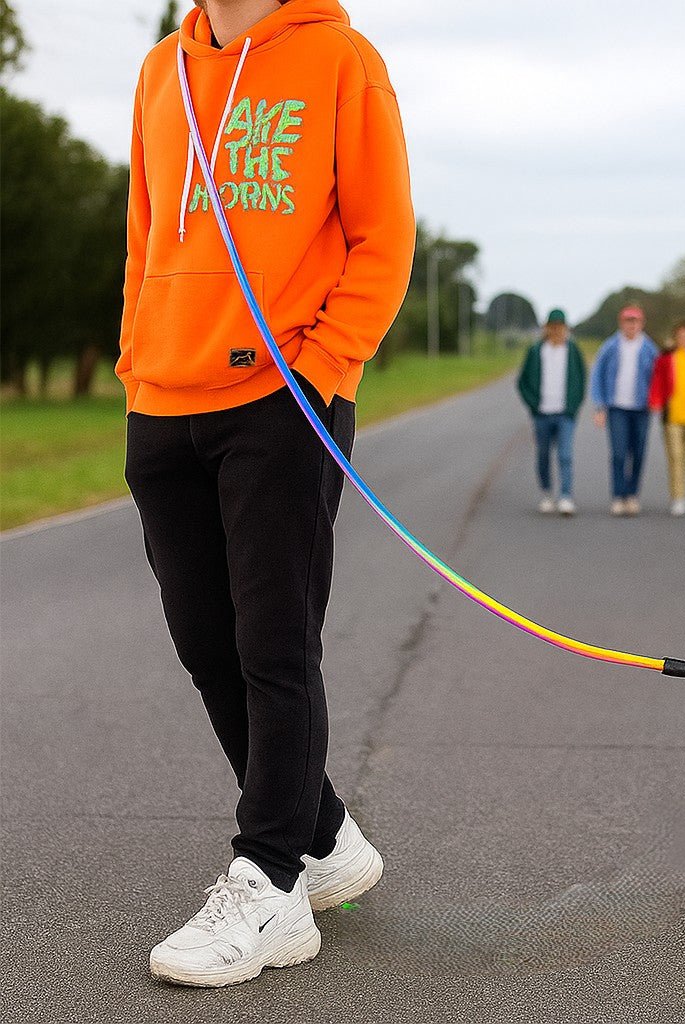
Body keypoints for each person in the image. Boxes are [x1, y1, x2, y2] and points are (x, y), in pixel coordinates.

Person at [117, 0, 415, 987]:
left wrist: (324, 369)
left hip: (281, 398)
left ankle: (272, 878)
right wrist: (136, 361)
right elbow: (145, 232)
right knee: (207, 646)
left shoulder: (340, 59)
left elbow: (383, 237)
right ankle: (322, 836)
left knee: (273, 645)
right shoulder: (164, 69)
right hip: (164, 399)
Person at [589, 305, 660, 515]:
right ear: (622, 323)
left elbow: (658, 377)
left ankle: (632, 495)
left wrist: (656, 400)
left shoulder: (649, 348)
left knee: (638, 453)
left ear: (641, 323)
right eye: (628, 321)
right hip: (617, 407)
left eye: (635, 321)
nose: (632, 325)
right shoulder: (610, 346)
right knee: (619, 453)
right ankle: (618, 496)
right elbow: (597, 376)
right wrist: (600, 406)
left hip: (641, 408)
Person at [516, 308, 586, 516]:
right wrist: (533, 404)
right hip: (542, 413)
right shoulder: (536, 350)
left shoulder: (573, 351)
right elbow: (522, 382)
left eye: (560, 327)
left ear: (566, 328)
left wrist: (573, 406)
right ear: (547, 328)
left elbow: (581, 379)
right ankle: (547, 493)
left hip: (565, 413)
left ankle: (565, 496)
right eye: (553, 327)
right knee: (543, 454)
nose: (556, 331)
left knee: (565, 455)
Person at [648, 320, 685, 515]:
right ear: (675, 339)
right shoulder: (667, 359)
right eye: (681, 337)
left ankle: (683, 492)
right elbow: (657, 381)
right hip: (672, 417)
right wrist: (655, 401)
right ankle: (677, 497)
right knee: (675, 457)